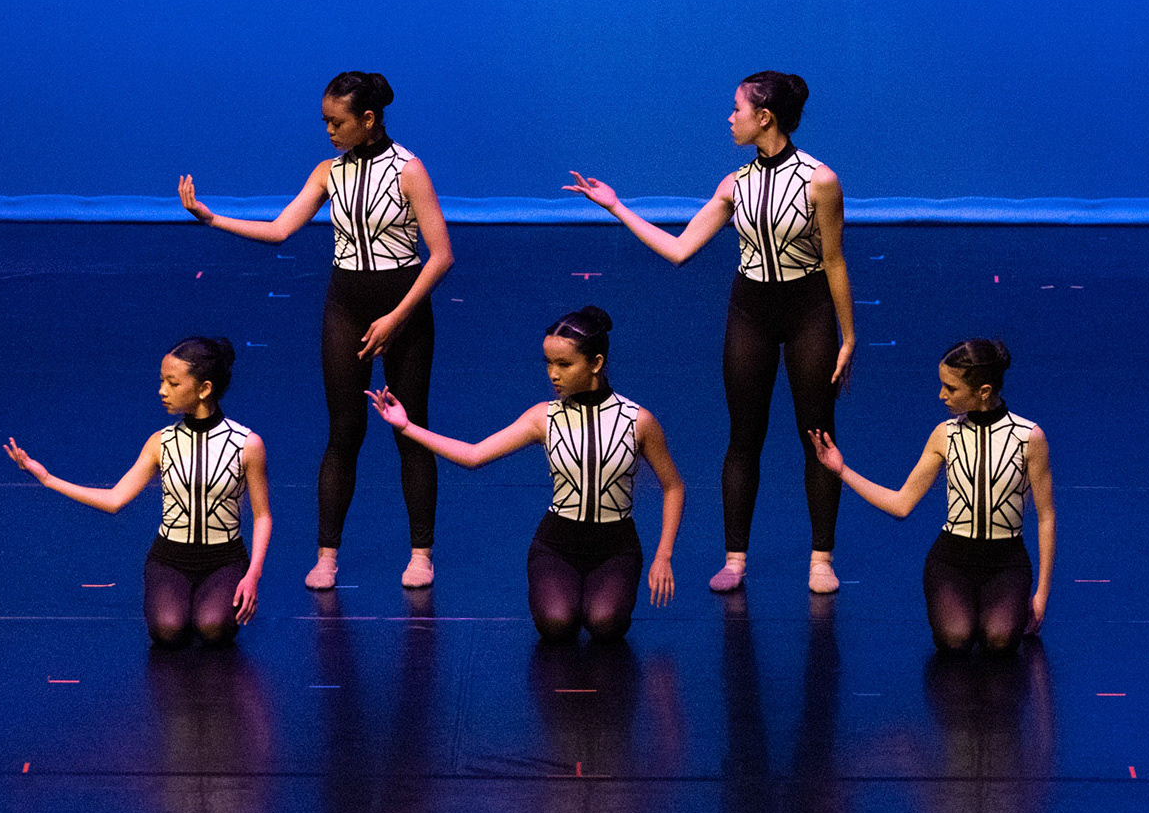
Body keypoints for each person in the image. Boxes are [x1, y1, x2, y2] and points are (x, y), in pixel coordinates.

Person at [566, 71, 854, 594]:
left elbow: (833, 261)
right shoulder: (734, 185)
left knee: (817, 433)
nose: (730, 118)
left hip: (808, 311)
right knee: (744, 435)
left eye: (737, 109)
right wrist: (616, 206)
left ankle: (821, 558)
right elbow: (679, 249)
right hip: (751, 311)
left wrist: (849, 337)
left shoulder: (820, 180)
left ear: (764, 117)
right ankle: (735, 559)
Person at [179, 70, 454, 590]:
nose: (328, 131)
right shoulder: (329, 172)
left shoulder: (409, 170)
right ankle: (327, 556)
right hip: (346, 306)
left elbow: (441, 256)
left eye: (337, 122)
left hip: (403, 308)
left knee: (410, 429)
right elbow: (281, 229)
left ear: (368, 119)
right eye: (324, 121)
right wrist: (210, 218)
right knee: (343, 432)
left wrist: (396, 318)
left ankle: (421, 553)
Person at [366, 306, 683, 641]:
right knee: (557, 624)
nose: (553, 374)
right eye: (548, 363)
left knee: (605, 624)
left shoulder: (637, 420)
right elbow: (474, 455)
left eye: (564, 364)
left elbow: (673, 487)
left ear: (596, 363)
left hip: (616, 548)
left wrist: (663, 556)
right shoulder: (543, 418)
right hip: (557, 546)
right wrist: (407, 427)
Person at [4, 337, 270, 647]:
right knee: (168, 630)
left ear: (204, 389)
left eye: (172, 383)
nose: (162, 391)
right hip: (171, 558)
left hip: (224, 559)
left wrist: (253, 574)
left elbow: (262, 516)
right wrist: (48, 479)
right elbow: (115, 499)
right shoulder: (161, 442)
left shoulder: (247, 444)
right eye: (162, 381)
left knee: (213, 626)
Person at [808, 338, 1056, 653]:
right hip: (952, 561)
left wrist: (1041, 595)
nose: (941, 395)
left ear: (983, 391)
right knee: (955, 640)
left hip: (1007, 563)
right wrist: (842, 470)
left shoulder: (1029, 438)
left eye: (950, 388)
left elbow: (1046, 517)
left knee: (1000, 642)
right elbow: (901, 504)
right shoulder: (945, 434)